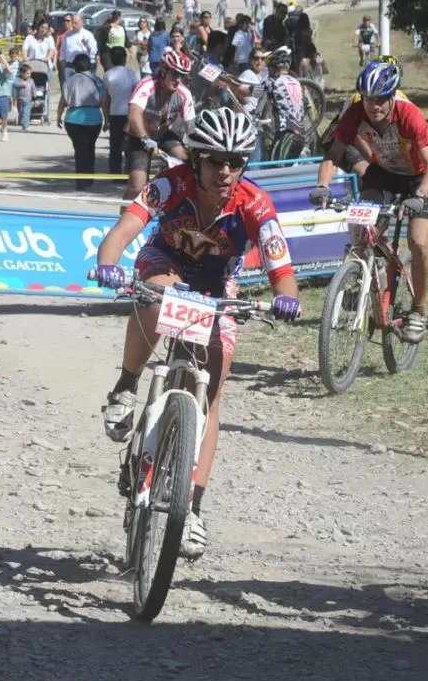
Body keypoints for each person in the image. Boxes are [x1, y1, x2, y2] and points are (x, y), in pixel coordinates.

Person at [94, 107, 302, 559]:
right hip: (165, 262)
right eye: (214, 161)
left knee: (212, 394)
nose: (226, 171)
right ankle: (128, 384)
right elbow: (126, 226)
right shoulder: (170, 185)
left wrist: (286, 297)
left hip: (216, 283)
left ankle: (191, 508)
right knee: (155, 294)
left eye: (235, 161)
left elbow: (281, 268)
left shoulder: (255, 204)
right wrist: (107, 263)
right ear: (196, 160)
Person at [311, 62, 428, 343]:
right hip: (382, 175)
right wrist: (322, 185)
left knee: (418, 241)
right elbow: (334, 154)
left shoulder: (409, 115)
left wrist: (419, 196)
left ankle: (418, 310)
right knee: (361, 229)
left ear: (393, 96)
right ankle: (364, 273)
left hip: (418, 179)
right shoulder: (355, 114)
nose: (374, 106)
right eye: (369, 99)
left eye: (381, 99)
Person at [122, 47, 195, 212]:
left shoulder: (184, 93)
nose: (178, 80)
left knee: (187, 160)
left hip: (162, 134)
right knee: (137, 184)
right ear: (163, 71)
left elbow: (191, 127)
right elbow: (134, 114)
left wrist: (196, 150)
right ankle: (122, 219)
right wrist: (144, 138)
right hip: (138, 135)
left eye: (182, 76)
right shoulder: (147, 85)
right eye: (175, 74)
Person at [56, 53, 106, 191]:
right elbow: (104, 101)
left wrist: (58, 116)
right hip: (94, 119)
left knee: (80, 150)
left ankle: (81, 181)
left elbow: (63, 101)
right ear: (89, 65)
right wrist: (107, 120)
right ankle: (89, 178)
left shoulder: (69, 81)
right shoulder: (97, 80)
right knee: (90, 147)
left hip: (73, 120)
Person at [255, 46, 305, 160]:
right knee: (286, 171)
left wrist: (227, 83)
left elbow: (250, 93)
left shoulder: (272, 81)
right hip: (301, 136)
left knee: (274, 171)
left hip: (285, 135)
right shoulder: (296, 82)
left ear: (273, 67)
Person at [102, 46, 139, 175]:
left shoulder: (107, 75)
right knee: (131, 146)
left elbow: (105, 100)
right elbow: (137, 96)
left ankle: (115, 173)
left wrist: (106, 119)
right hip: (130, 115)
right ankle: (130, 173)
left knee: (115, 146)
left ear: (111, 60)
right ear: (125, 59)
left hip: (114, 114)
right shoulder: (132, 74)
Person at [58, 14, 98, 83]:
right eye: (72, 22)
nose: (73, 25)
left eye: (75, 23)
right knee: (70, 87)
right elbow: (63, 50)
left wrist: (87, 45)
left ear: (81, 22)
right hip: (70, 66)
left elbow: (94, 50)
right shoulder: (68, 35)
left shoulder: (88, 34)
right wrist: (62, 60)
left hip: (84, 66)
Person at [13, 62, 34, 131]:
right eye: (27, 73)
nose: (29, 75)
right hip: (20, 100)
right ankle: (23, 123)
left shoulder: (31, 80)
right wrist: (22, 84)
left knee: (26, 112)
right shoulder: (18, 80)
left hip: (28, 100)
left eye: (30, 73)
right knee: (21, 112)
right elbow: (15, 84)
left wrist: (34, 92)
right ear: (22, 73)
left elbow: (33, 87)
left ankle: (26, 125)